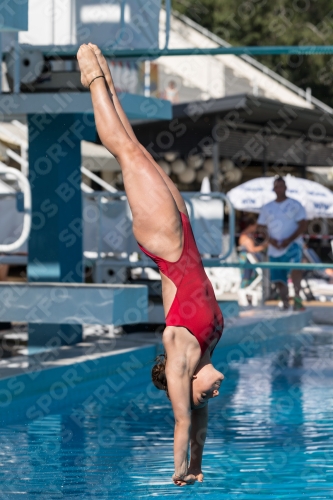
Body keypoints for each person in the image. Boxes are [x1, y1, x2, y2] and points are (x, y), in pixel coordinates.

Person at [77, 44, 224, 487]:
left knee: (126, 151)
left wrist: (179, 470)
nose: (213, 392)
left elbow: (184, 423)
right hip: (183, 233)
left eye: (205, 394)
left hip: (165, 241)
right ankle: (103, 74)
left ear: (186, 385)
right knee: (137, 148)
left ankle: (90, 78)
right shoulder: (207, 353)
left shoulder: (182, 353)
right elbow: (199, 426)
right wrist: (198, 466)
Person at [257, 176, 307, 310]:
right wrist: (272, 241)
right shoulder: (267, 207)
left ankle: (297, 300)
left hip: (293, 245)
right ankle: (285, 303)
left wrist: (288, 240)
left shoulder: (295, 204)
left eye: (281, 186)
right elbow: (261, 227)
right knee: (279, 278)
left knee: (296, 271)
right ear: (273, 189)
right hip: (275, 248)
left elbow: (302, 225)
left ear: (286, 188)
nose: (279, 189)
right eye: (277, 186)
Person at [238, 215, 267, 289]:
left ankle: (245, 290)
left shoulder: (248, 235)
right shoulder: (245, 236)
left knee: (247, 276)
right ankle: (244, 290)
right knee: (246, 276)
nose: (256, 228)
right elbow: (252, 250)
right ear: (251, 225)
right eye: (256, 226)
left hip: (247, 259)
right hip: (246, 260)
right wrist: (265, 246)